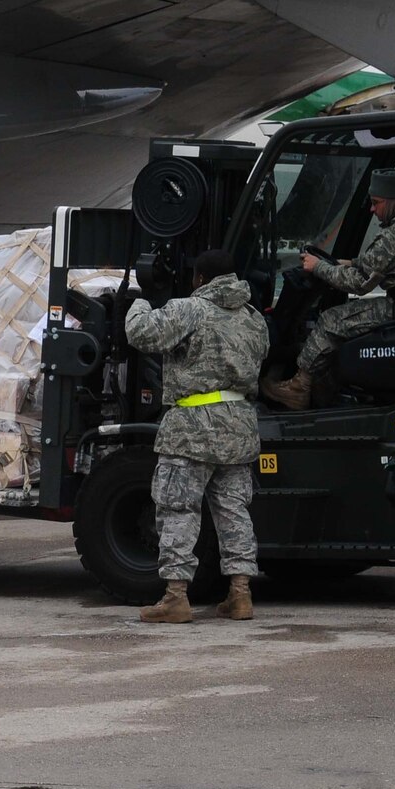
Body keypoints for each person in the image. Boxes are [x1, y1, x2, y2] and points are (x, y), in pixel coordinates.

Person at [124, 248, 269, 624]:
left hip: (192, 428)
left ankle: (175, 598)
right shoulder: (254, 319)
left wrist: (139, 303)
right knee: (234, 511)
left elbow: (142, 334)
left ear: (200, 279)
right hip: (239, 426)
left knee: (178, 509)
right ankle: (240, 594)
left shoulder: (192, 309)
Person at [263, 167, 395, 411]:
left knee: (330, 320)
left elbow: (359, 284)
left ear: (393, 201)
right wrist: (346, 263)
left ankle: (298, 387)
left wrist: (318, 268)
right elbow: (378, 264)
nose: (372, 209)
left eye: (376, 203)